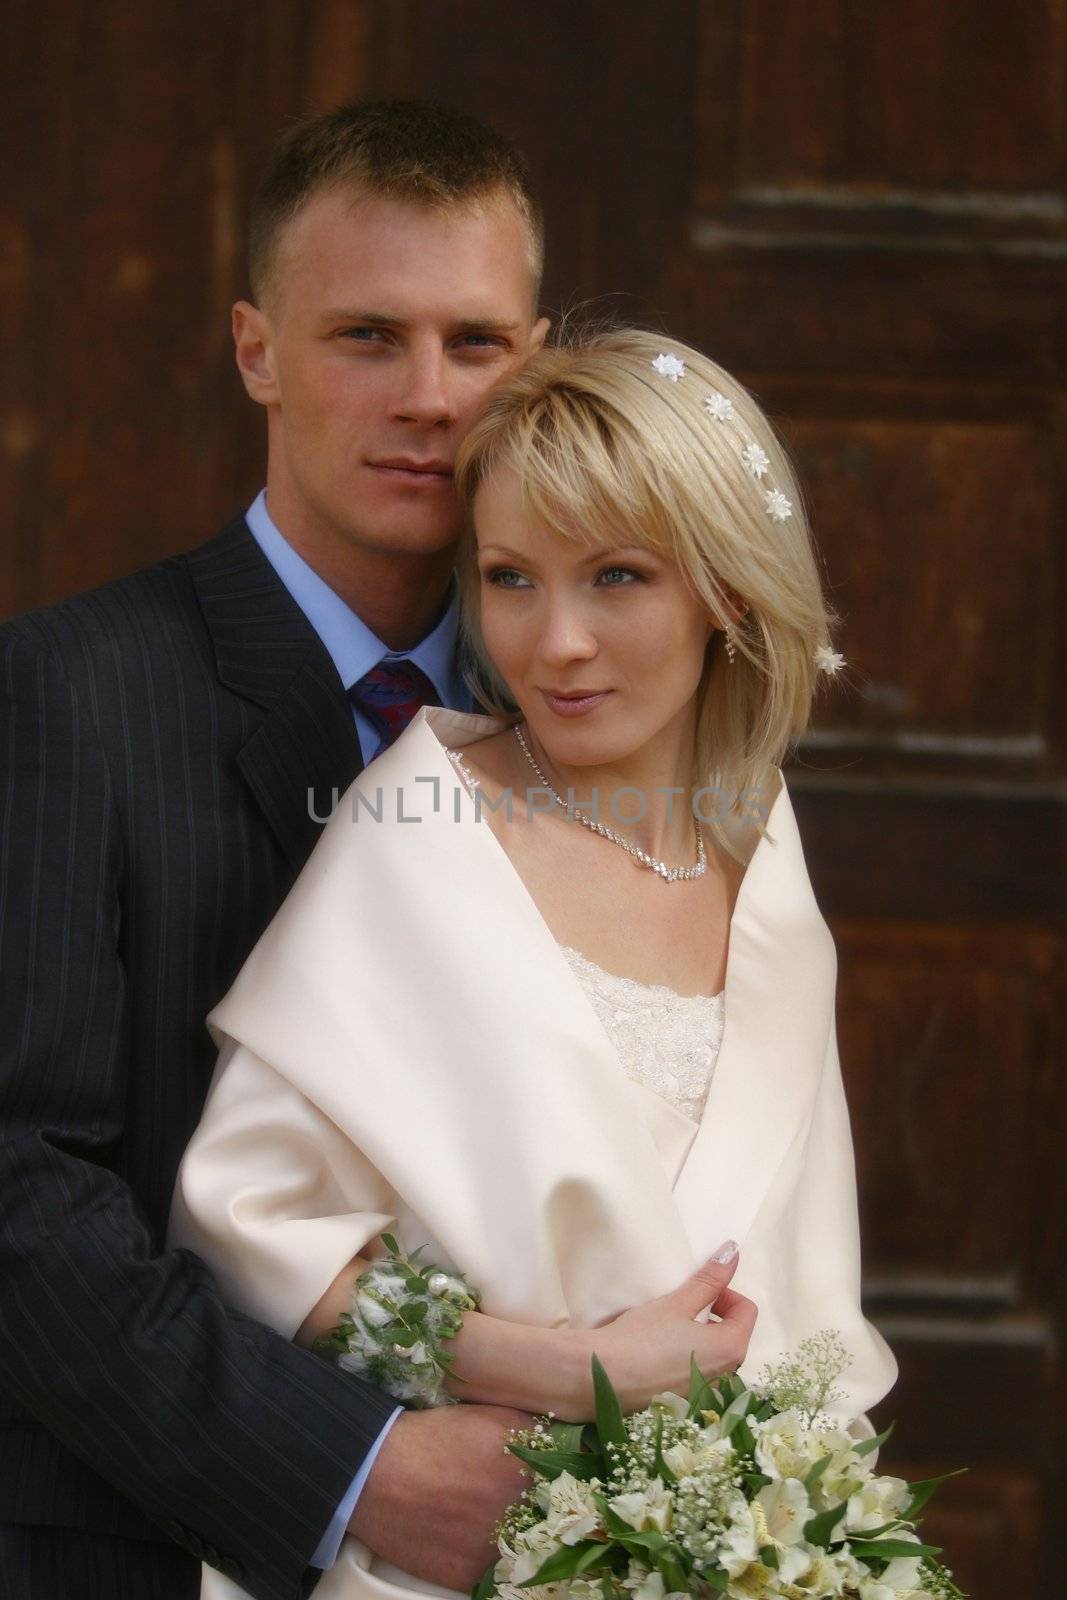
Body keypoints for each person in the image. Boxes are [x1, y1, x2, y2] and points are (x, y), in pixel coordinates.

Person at [170, 328, 898, 1600]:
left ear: (724, 588)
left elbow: (810, 1301)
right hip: (449, 1553)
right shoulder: (418, 831)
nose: (553, 643)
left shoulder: (759, 843)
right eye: (509, 579)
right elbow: (252, 1227)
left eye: (615, 576)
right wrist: (551, 1367)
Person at [0, 98, 564, 1600]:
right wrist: (352, 1468)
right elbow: (16, 1181)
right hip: (142, 1540)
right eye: (366, 337)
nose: (430, 397)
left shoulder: (591, 726)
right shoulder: (66, 693)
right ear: (256, 350)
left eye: (477, 343)